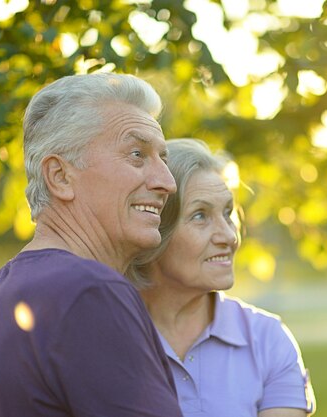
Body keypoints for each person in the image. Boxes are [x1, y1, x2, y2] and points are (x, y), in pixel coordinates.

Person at [0, 73, 185, 417]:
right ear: (60, 176)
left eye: (163, 159)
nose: (167, 182)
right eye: (137, 154)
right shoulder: (91, 292)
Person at [128, 138, 316, 417]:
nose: (229, 236)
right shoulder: (106, 337)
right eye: (200, 215)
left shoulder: (267, 340)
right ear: (154, 231)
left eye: (228, 213)